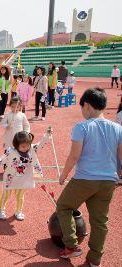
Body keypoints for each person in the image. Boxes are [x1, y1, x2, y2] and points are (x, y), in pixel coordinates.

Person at [57, 88, 122, 267]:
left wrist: (63, 175)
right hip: (109, 180)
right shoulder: (118, 128)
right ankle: (95, 258)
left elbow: (74, 156)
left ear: (86, 105)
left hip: (85, 179)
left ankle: (71, 246)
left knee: (63, 206)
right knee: (100, 221)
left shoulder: (82, 127)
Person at [0, 129, 51, 220]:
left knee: (20, 196)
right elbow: (2, 158)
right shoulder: (11, 151)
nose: (26, 148)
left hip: (23, 179)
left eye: (28, 145)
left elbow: (40, 144)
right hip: (11, 178)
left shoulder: (32, 149)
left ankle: (19, 211)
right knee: (6, 195)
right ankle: (1, 210)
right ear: (16, 145)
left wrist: (47, 135)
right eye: (23, 146)